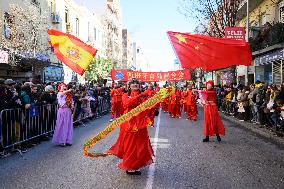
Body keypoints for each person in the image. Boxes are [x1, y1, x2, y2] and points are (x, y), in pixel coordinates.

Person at [108, 78, 154, 175]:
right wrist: (141, 95)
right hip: (129, 123)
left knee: (141, 144)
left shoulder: (143, 97)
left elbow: (149, 106)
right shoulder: (125, 95)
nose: (135, 84)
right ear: (129, 86)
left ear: (139, 85)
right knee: (130, 145)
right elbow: (127, 103)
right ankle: (129, 166)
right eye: (132, 83)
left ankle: (136, 165)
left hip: (140, 123)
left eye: (136, 83)